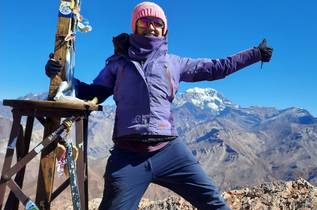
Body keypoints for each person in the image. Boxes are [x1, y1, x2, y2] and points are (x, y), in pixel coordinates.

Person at [45, 2, 273, 210]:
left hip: (169, 151)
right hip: (127, 155)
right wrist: (63, 78)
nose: (152, 27)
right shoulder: (118, 64)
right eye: (145, 22)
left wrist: (254, 54)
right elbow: (94, 93)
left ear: (164, 30)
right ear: (135, 26)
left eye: (158, 23)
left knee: (214, 204)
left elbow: (217, 67)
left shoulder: (175, 63)